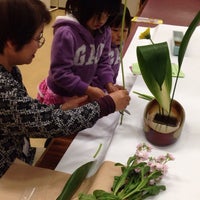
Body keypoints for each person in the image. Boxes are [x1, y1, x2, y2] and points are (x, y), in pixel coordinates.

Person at [0, 0, 130, 177]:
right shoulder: (3, 89)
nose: (40, 45)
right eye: (38, 37)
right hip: (9, 172)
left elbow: (25, 115)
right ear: (11, 41)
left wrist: (61, 109)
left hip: (21, 155)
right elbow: (47, 122)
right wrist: (107, 104)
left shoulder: (10, 68)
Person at [37, 0, 122, 105]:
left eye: (107, 14)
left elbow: (103, 62)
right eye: (97, 14)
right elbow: (59, 73)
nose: (102, 20)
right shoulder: (66, 33)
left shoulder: (104, 31)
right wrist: (88, 89)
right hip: (60, 95)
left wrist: (109, 84)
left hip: (81, 91)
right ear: (82, 6)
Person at [92, 3, 132, 89]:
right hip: (96, 89)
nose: (120, 35)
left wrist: (112, 86)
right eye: (115, 30)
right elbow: (96, 72)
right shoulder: (100, 46)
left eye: (124, 30)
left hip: (108, 86)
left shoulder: (119, 44)